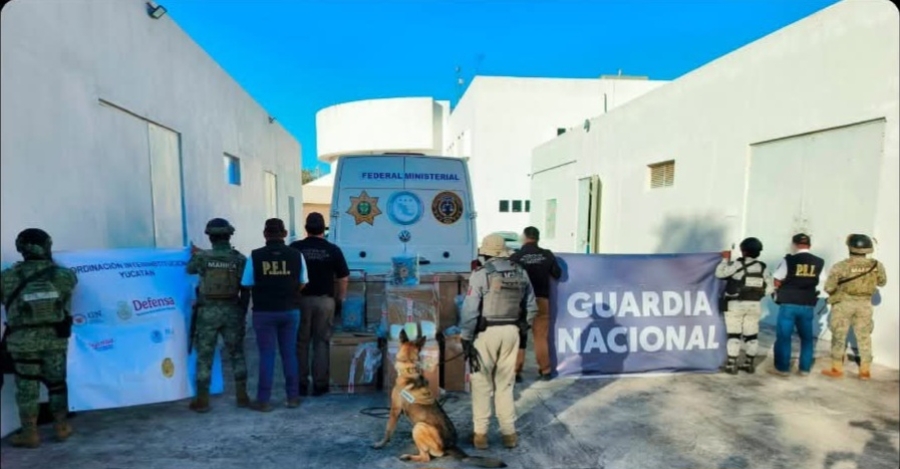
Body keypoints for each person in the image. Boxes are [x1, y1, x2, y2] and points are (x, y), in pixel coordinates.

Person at [0, 228, 78, 448]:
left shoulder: (7, 277)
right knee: (57, 384)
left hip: (22, 342)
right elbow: (69, 291)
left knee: (27, 386)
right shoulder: (64, 275)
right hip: (55, 340)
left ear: (20, 248)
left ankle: (30, 434)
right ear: (47, 246)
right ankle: (62, 427)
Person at [460, 234, 538, 450]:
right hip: (512, 332)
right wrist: (523, 327)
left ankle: (481, 436)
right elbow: (532, 307)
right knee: (505, 385)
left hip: (486, 334)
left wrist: (465, 337)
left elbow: (470, 310)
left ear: (485, 254)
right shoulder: (521, 272)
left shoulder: (481, 274)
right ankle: (509, 434)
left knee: (481, 385)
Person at [241, 218, 308, 411]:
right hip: (290, 310)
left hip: (263, 311)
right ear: (285, 234)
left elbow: (246, 283)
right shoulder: (296, 255)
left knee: (267, 355)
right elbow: (303, 281)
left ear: (265, 234)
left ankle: (263, 400)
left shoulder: (255, 256)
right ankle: (293, 398)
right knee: (289, 354)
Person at [186, 218, 250, 412]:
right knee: (237, 354)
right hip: (232, 311)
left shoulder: (202, 257)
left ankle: (202, 401)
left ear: (210, 237)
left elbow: (189, 269)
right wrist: (242, 311)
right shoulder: (240, 259)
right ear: (229, 236)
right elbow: (246, 288)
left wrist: (197, 253)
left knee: (204, 357)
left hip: (207, 314)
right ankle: (242, 397)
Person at [289, 212, 350, 396]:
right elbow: (343, 277)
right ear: (324, 229)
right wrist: (340, 299)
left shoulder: (295, 248)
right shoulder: (333, 249)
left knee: (301, 343)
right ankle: (320, 384)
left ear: (306, 228)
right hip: (325, 301)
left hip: (300, 301)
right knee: (321, 342)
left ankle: (301, 384)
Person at [821, 234, 887, 380]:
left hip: (843, 304)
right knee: (864, 337)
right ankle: (865, 371)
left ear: (850, 247)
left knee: (839, 335)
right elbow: (882, 282)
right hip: (865, 304)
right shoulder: (876, 265)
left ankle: (837, 368)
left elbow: (829, 287)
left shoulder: (840, 266)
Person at [509, 226, 561, 381]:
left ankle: (516, 372)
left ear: (524, 238)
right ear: (538, 238)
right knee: (541, 337)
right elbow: (557, 274)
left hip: (522, 300)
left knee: (520, 336)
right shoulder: (547, 255)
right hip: (542, 300)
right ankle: (545, 371)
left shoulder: (516, 257)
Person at [769, 233, 824, 377]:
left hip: (789, 303)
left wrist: (779, 288)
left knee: (784, 337)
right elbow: (821, 281)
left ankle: (782, 368)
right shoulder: (819, 262)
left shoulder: (789, 260)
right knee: (807, 338)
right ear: (809, 245)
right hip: (807, 303)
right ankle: (804, 369)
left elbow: (777, 279)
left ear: (794, 245)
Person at [715, 237, 771, 374]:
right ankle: (749, 363)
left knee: (734, 335)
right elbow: (770, 288)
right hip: (754, 305)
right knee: (751, 336)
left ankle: (731, 364)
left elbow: (720, 274)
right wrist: (756, 295)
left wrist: (724, 259)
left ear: (743, 251)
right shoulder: (763, 267)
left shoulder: (737, 265)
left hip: (735, 304)